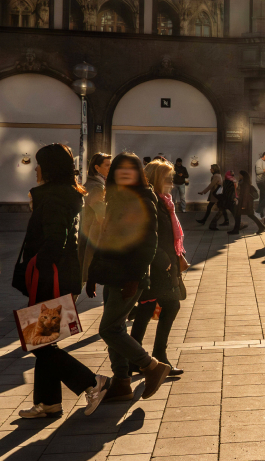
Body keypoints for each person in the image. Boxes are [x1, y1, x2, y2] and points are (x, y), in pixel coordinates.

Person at [16, 144, 114, 419]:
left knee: (39, 343)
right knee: (43, 341)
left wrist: (37, 265)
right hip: (60, 273)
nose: (35, 169)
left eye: (39, 164)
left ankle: (91, 382)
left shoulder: (53, 196)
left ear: (49, 168)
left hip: (50, 276)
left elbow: (56, 240)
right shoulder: (65, 193)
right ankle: (48, 402)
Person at [86, 153, 172, 401]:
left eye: (129, 169)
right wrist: (93, 275)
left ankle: (152, 367)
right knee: (117, 327)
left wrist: (135, 277)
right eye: (118, 169)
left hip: (128, 275)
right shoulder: (114, 197)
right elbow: (103, 239)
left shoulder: (144, 198)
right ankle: (122, 381)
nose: (123, 172)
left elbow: (148, 243)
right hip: (110, 272)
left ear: (138, 173)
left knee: (109, 329)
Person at [130, 159, 187, 377]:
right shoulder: (151, 200)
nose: (172, 181)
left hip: (164, 264)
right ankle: (157, 357)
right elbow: (147, 234)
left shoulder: (165, 201)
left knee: (146, 309)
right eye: (168, 177)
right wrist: (165, 259)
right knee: (169, 306)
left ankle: (135, 359)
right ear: (155, 178)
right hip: (157, 266)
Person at [80, 153, 111, 288]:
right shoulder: (97, 186)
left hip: (88, 235)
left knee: (79, 279)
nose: (111, 168)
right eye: (107, 165)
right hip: (91, 236)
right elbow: (102, 212)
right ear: (97, 168)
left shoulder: (97, 183)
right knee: (79, 279)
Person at [230, 170, 265, 234]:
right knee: (240, 215)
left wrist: (244, 205)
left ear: (243, 176)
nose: (239, 176)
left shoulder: (245, 184)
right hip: (244, 202)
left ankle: (261, 226)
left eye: (240, 175)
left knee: (248, 215)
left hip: (245, 202)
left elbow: (245, 194)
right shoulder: (242, 182)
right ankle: (236, 230)